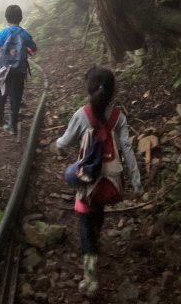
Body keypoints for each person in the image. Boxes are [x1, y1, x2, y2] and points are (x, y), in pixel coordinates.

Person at [54, 66, 142, 296]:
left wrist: (57, 144)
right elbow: (127, 149)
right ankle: (96, 237)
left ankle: (90, 278)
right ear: (113, 92)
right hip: (110, 181)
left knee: (82, 211)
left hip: (88, 180)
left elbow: (64, 142)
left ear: (89, 89)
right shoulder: (118, 117)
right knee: (98, 209)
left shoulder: (82, 114)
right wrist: (136, 180)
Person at [0, 5, 37, 136]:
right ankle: (11, 125)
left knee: (2, 92)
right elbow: (34, 48)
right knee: (16, 96)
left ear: (6, 18)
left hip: (4, 69)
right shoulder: (25, 34)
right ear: (21, 18)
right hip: (19, 70)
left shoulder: (4, 32)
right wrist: (25, 49)